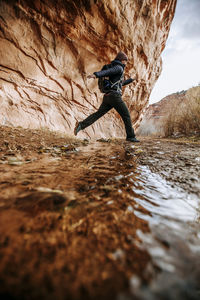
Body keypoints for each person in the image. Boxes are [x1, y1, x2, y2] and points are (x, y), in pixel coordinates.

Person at [74, 51, 140, 142]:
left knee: (98, 114)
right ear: (122, 60)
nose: (126, 62)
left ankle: (81, 125)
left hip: (107, 97)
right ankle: (131, 137)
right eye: (125, 60)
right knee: (126, 116)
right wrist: (96, 75)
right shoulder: (119, 68)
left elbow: (121, 83)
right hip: (115, 97)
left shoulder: (116, 68)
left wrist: (131, 80)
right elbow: (107, 72)